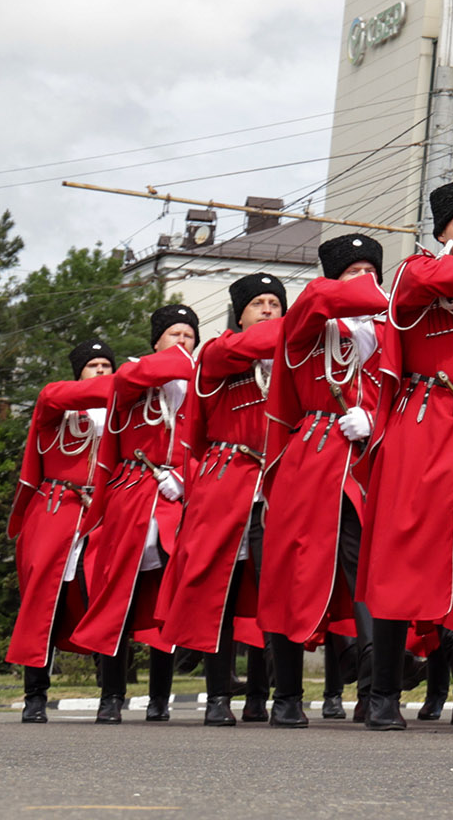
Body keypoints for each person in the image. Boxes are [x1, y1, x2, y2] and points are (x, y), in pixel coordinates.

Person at [357, 181, 453, 729]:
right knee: (402, 560)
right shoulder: (417, 271)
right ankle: (384, 695)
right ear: (440, 232)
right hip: (422, 423)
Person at [258, 233, 394, 727]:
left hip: (367, 455)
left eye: (370, 271)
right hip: (313, 451)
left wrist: (375, 420)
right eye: (354, 272)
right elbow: (317, 297)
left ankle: (379, 691)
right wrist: (395, 287)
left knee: (370, 571)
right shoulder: (309, 319)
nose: (364, 281)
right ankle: (287, 695)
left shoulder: (388, 328)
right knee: (295, 572)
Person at [158, 275, 287, 726]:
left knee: (273, 588)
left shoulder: (296, 356)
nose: (268, 310)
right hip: (227, 478)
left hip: (277, 480)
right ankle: (217, 697)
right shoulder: (217, 350)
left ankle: (261, 695)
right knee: (222, 591)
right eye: (258, 303)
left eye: (275, 303)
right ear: (240, 313)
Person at [69, 303, 202, 724]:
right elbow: (131, 379)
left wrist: (185, 478)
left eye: (189, 336)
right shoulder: (133, 374)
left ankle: (160, 699)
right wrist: (179, 362)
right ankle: (112, 695)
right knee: (116, 600)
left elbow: (209, 440)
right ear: (156, 342)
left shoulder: (200, 384)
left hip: (175, 499)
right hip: (130, 497)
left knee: (167, 602)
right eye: (174, 335)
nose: (183, 343)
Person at [8, 340, 118, 723]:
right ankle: (34, 696)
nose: (102, 371)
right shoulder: (56, 401)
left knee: (102, 599)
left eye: (107, 365)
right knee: (42, 605)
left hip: (101, 516)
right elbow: (51, 396)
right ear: (79, 372)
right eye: (94, 365)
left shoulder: (122, 414)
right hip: (55, 511)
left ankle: (111, 695)